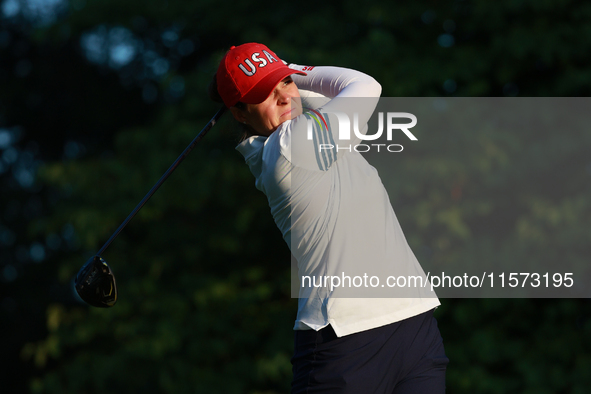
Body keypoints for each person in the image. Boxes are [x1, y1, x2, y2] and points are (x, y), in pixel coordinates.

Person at [210, 42, 448, 393]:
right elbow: (364, 85)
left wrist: (278, 73)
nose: (283, 98)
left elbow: (327, 95)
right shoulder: (289, 147)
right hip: (345, 343)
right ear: (240, 113)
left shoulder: (308, 128)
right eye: (263, 94)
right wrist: (293, 69)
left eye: (285, 85)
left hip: (413, 323)